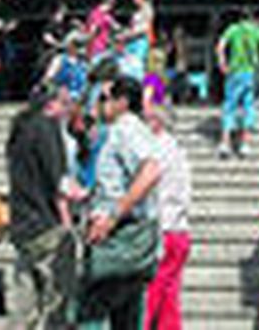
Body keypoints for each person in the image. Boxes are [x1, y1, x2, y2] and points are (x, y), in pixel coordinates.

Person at [82, 75, 164, 330]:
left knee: (91, 309)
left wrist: (113, 216)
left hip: (121, 235)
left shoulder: (125, 129)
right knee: (128, 313)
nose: (99, 105)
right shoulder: (132, 130)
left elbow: (150, 170)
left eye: (105, 98)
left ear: (123, 102)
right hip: (132, 233)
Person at [7, 84, 77, 330]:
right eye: (65, 103)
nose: (69, 109)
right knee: (56, 301)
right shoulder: (47, 129)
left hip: (22, 223)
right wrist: (69, 221)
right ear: (51, 104)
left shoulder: (20, 129)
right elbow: (60, 184)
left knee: (24, 302)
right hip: (47, 224)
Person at [144, 102, 192, 330]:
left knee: (151, 293)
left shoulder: (156, 150)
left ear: (156, 123)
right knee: (169, 295)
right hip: (179, 229)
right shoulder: (178, 152)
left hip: (162, 227)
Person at [216, 8, 259, 159]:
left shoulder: (232, 29)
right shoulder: (256, 30)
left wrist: (222, 62)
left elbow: (220, 46)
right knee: (248, 105)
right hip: (251, 72)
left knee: (230, 106)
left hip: (234, 71)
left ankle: (225, 143)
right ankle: (244, 144)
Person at [123, 0, 155, 81]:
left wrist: (130, 34)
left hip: (140, 41)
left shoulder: (147, 9)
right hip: (133, 41)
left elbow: (145, 28)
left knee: (137, 65)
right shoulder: (140, 10)